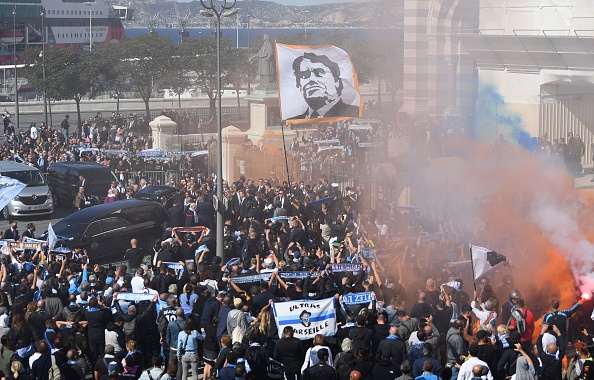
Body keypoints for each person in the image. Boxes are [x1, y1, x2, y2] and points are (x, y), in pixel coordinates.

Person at [289, 52, 360, 119]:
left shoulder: (353, 113)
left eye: (320, 72)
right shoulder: (295, 120)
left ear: (337, 82)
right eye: (304, 75)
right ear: (298, 85)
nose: (311, 79)